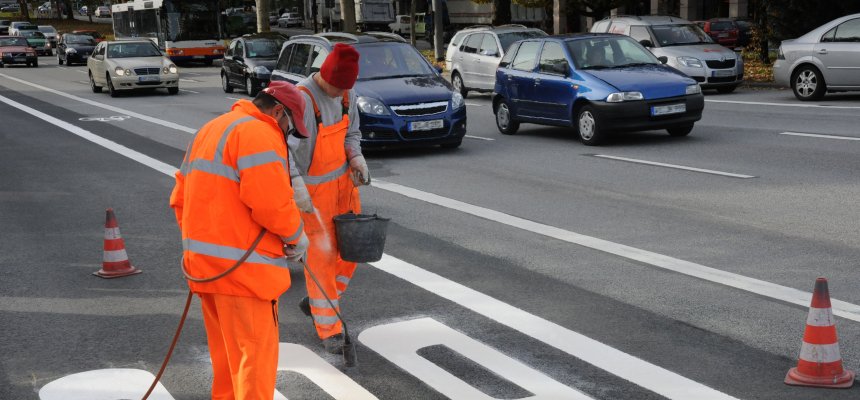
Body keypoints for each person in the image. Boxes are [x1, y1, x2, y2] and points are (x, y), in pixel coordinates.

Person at [169, 81, 311, 399]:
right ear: (278, 112)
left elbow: (180, 198)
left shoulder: (212, 129)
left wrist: (207, 244)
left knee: (227, 365)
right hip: (245, 276)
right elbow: (271, 203)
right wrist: (297, 237)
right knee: (253, 365)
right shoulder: (259, 134)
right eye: (289, 128)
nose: (287, 136)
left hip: (206, 271)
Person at [288, 43, 370, 354]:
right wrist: (296, 187)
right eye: (336, 87)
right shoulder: (303, 99)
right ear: (325, 76)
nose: (340, 95)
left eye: (345, 88)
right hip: (313, 196)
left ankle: (318, 300)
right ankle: (329, 330)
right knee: (321, 259)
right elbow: (285, 151)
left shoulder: (348, 94)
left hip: (344, 190)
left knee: (351, 254)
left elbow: (352, 133)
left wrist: (355, 157)